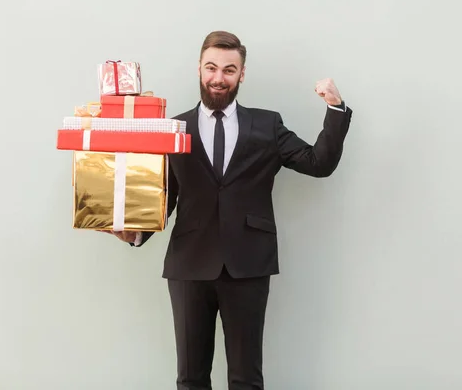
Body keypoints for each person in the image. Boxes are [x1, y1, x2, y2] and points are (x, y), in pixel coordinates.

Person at [106, 31, 353, 390]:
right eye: (211, 68)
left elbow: (319, 162)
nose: (218, 77)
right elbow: (166, 195)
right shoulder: (174, 128)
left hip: (248, 264)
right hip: (189, 264)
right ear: (199, 69)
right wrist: (137, 233)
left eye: (229, 70)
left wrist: (335, 107)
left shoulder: (268, 125)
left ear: (242, 74)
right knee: (190, 378)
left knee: (246, 378)